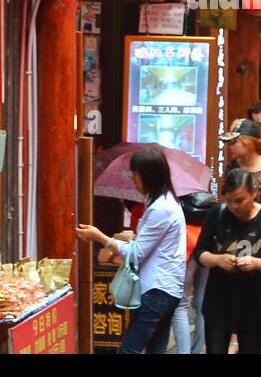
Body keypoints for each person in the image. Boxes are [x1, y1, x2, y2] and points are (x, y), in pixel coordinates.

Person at [76, 146, 186, 354]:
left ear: (148, 176)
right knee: (155, 349)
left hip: (158, 288)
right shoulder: (161, 202)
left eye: (135, 174)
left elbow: (135, 253)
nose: (132, 179)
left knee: (128, 350)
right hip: (165, 287)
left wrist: (100, 237)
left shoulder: (161, 208)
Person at [194, 166, 261, 355]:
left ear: (254, 193)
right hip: (219, 295)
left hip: (253, 297)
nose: (234, 207)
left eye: (240, 200)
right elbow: (200, 253)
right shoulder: (217, 214)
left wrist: (257, 263)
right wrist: (216, 259)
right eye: (229, 201)